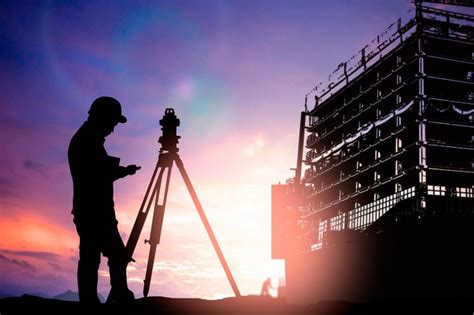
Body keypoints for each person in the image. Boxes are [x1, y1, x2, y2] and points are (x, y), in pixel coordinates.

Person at [68, 96, 141, 304]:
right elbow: (95, 174)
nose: (113, 128)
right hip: (94, 212)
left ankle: (106, 297)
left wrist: (123, 171)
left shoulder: (89, 139)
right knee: (109, 256)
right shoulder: (86, 141)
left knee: (99, 257)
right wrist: (118, 171)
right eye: (112, 122)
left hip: (96, 211)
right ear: (102, 117)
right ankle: (107, 298)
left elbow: (98, 172)